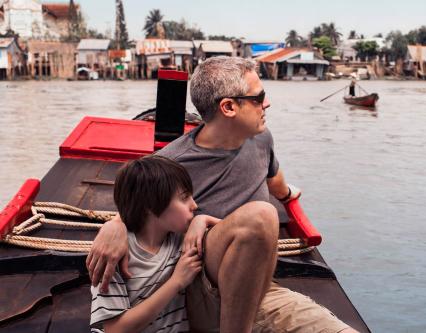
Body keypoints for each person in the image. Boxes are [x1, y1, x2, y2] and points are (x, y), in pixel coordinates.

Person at [87, 56, 357, 333]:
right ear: (228, 107)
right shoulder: (172, 164)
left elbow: (275, 179)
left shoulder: (261, 138)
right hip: (201, 289)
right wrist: (115, 224)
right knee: (261, 216)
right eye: (259, 97)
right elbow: (138, 206)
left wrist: (288, 194)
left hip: (258, 286)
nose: (267, 103)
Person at [90, 155, 209, 332]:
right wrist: (176, 282)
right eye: (184, 198)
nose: (194, 205)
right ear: (150, 206)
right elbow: (115, 330)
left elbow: (236, 234)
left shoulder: (182, 238)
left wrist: (203, 220)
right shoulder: (115, 254)